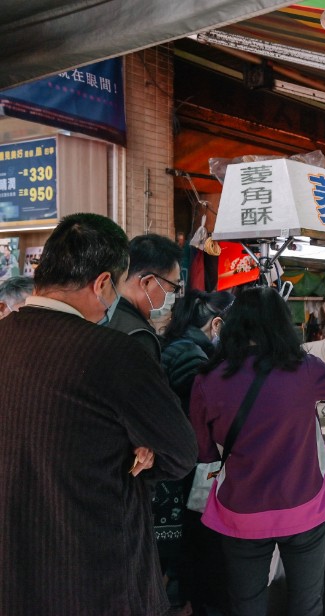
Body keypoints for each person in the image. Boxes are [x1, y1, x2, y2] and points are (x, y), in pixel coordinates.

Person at [0, 213, 197, 615]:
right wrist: (138, 453)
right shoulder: (114, 353)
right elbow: (179, 451)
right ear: (103, 283)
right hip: (96, 575)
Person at [190, 287, 325, 615]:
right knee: (306, 604)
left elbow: (204, 451)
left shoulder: (208, 378)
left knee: (246, 604)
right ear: (283, 325)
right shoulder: (304, 368)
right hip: (304, 505)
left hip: (239, 511)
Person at [161, 289, 235, 614]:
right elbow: (201, 420)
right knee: (195, 561)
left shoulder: (178, 347)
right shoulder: (193, 358)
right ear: (217, 325)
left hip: (174, 469)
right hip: (185, 472)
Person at [108, 233, 184, 359]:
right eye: (173, 287)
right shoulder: (139, 337)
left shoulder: (100, 315)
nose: (173, 296)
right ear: (147, 283)